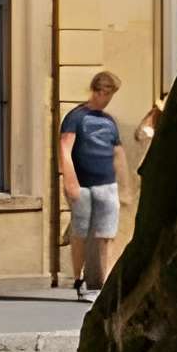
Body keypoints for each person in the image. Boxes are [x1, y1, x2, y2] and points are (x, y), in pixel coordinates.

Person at [58, 70, 129, 300]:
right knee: (81, 233)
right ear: (97, 91)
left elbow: (118, 153)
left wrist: (124, 185)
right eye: (106, 93)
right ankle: (80, 280)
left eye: (111, 95)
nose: (107, 99)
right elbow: (65, 149)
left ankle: (102, 281)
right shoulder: (77, 117)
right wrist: (70, 180)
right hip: (83, 185)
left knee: (106, 234)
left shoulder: (109, 121)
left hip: (107, 185)